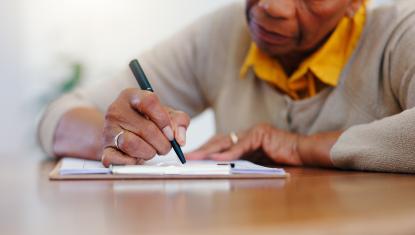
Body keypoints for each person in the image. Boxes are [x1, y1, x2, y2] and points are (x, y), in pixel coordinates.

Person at [38, 0, 415, 173]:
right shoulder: (224, 33)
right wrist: (118, 135)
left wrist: (299, 148)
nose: (273, 7)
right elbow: (56, 118)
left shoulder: (400, 34)